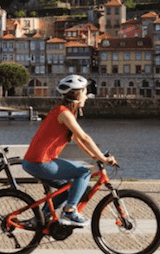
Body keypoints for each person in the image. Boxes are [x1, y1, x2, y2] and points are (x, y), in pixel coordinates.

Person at [22, 74, 118, 227]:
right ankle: (70, 211)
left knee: (68, 188)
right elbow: (85, 137)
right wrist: (103, 158)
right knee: (84, 172)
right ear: (77, 94)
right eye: (85, 93)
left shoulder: (65, 113)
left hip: (34, 161)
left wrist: (95, 156)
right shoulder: (64, 114)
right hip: (39, 162)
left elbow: (78, 141)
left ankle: (43, 217)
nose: (87, 97)